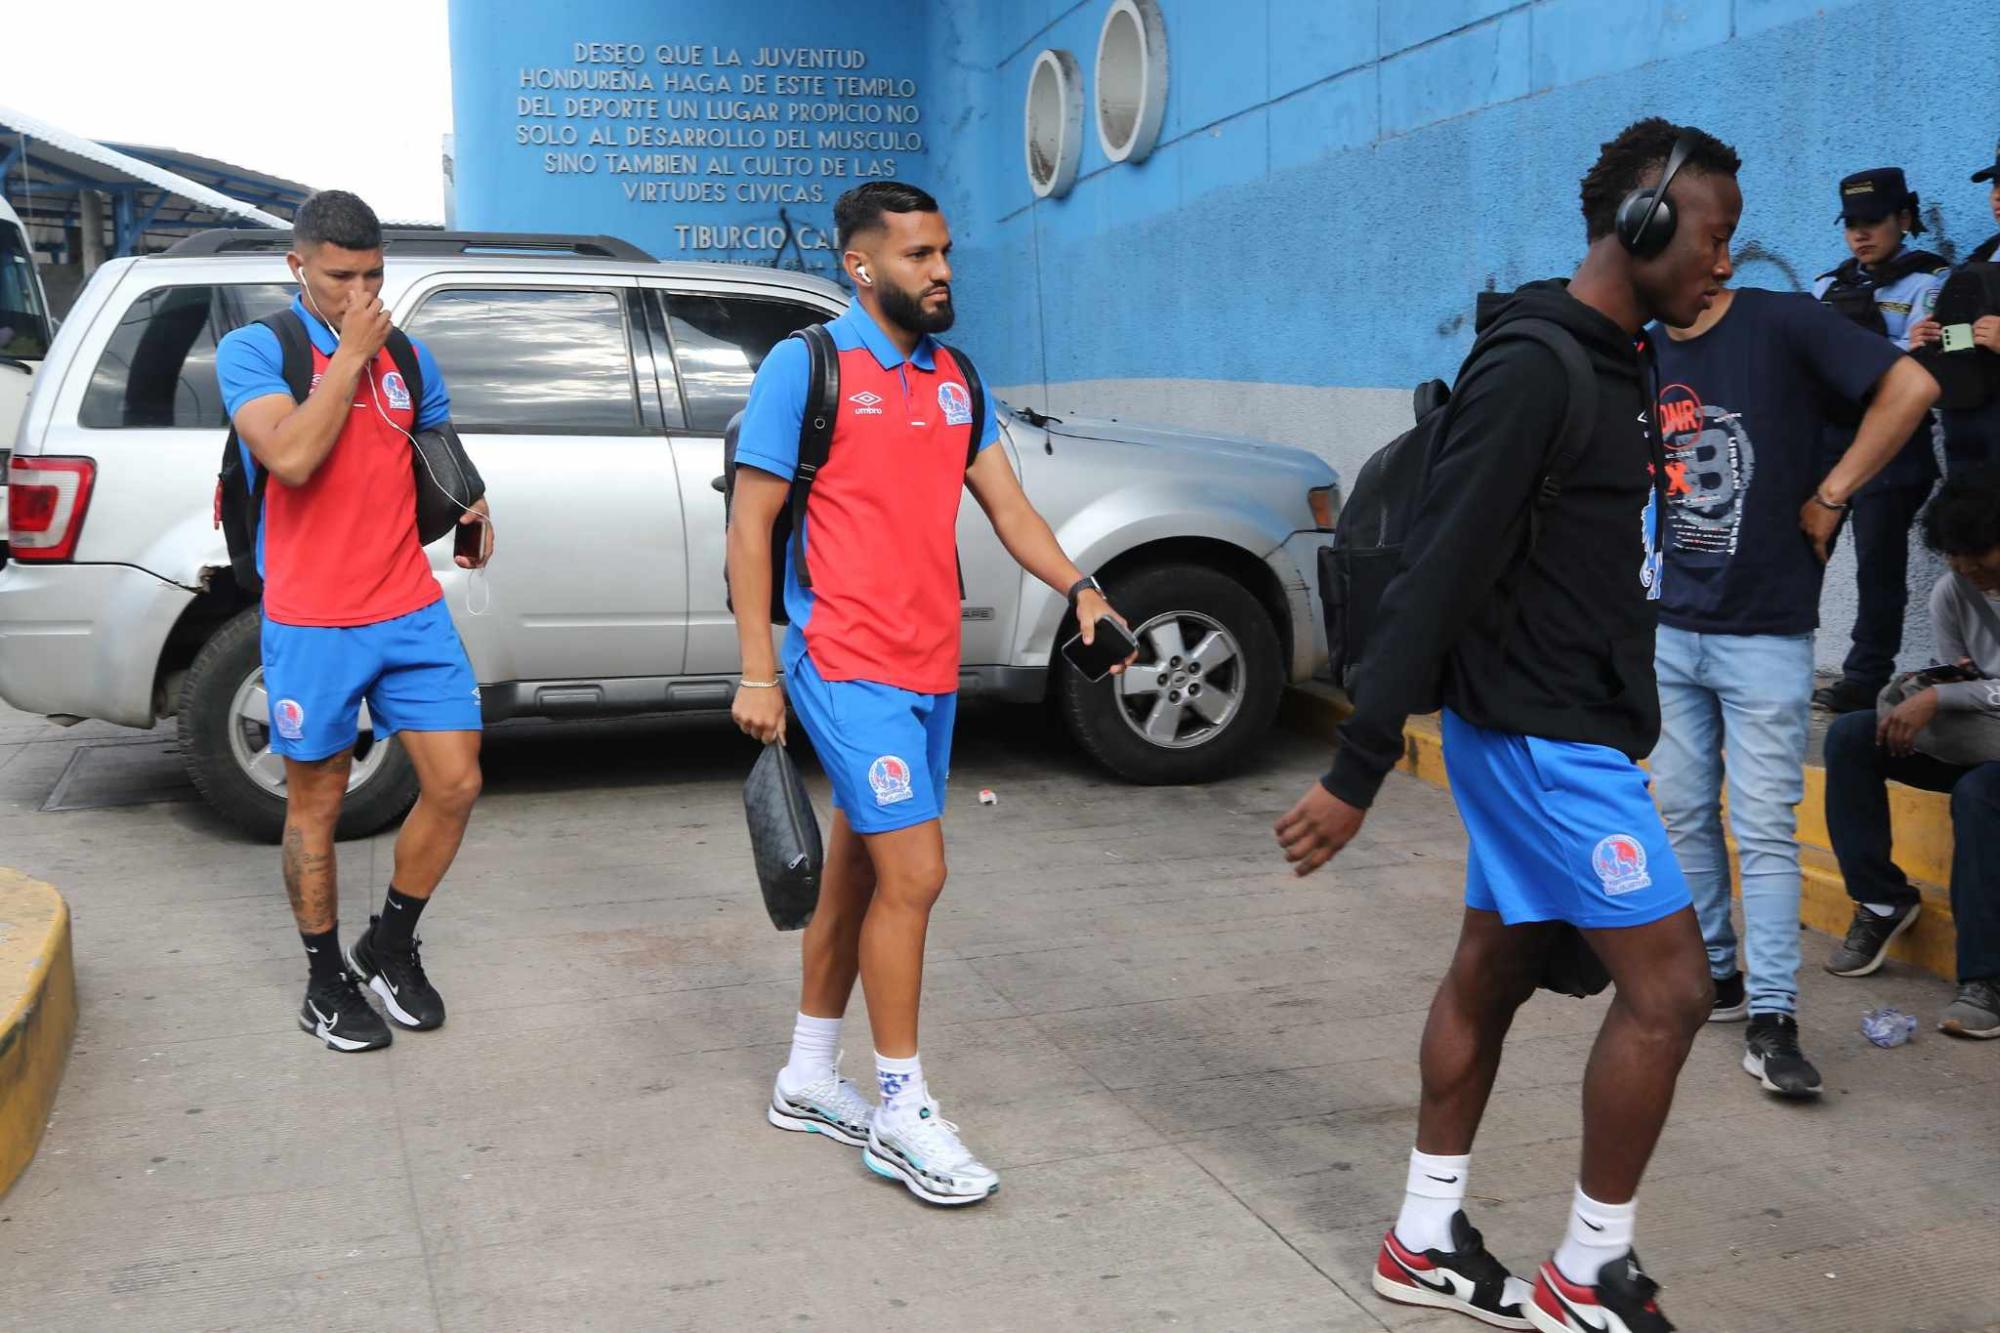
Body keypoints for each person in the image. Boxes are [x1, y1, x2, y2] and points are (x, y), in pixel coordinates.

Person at [1277, 118, 1740, 1333]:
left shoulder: (1617, 355)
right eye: (1710, 234)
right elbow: (1435, 569)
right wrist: (1356, 764)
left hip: (1561, 718)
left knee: (1493, 966)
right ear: (1642, 222)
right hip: (1542, 737)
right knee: (1673, 989)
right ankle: (1585, 1271)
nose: (1722, 262)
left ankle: (1421, 1238)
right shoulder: (1534, 364)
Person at [728, 181, 1131, 1207]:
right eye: (916, 256)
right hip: (841, 656)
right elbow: (748, 524)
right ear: (859, 267)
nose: (941, 270)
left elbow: (1008, 507)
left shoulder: (956, 378)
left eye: (944, 251)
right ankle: (901, 1107)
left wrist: (1078, 588)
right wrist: (756, 669)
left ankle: (809, 1076)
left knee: (861, 872)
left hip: (925, 664)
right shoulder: (806, 367)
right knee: (918, 871)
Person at [1647, 232, 1939, 1098]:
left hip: (1764, 627)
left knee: (1765, 828)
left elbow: (1913, 383)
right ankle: (1720, 979)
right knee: (1684, 814)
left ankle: (1773, 1018)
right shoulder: (1643, 344)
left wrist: (1832, 489)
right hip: (1667, 624)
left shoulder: (1782, 323)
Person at [216, 190, 492, 1053]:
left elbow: (434, 440)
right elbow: (291, 456)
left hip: (407, 604)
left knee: (456, 782)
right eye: (341, 276)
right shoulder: (258, 349)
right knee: (318, 805)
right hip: (313, 619)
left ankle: (390, 944)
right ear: (298, 267)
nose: (360, 292)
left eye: (374, 274)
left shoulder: (408, 355)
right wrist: (349, 357)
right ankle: (323, 976)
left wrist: (473, 500)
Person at [1823, 466, 2000, 1039]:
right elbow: (1965, 677)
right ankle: (1880, 902)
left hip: (1989, 762)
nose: (1967, 568)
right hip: (1984, 738)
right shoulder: (1955, 590)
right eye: (1956, 556)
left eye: (1979, 555)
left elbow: (1965, 690)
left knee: (1980, 793)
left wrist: (1948, 694)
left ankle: (1986, 980)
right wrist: (1922, 688)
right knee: (1852, 736)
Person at [1810, 169, 1951, 715]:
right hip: (1829, 438)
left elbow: (1922, 363)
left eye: (1872, 223)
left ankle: (1865, 676)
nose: (1860, 235)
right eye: (1851, 225)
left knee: (1878, 565)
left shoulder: (1929, 282)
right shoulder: (1828, 285)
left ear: (1904, 220)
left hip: (1893, 444)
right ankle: (1783, 652)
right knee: (1802, 548)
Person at [1907, 137, 2000, 471]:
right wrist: (1930, 339)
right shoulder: (1981, 259)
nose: (1998, 195)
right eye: (1995, 184)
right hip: (1969, 421)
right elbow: (1968, 335)